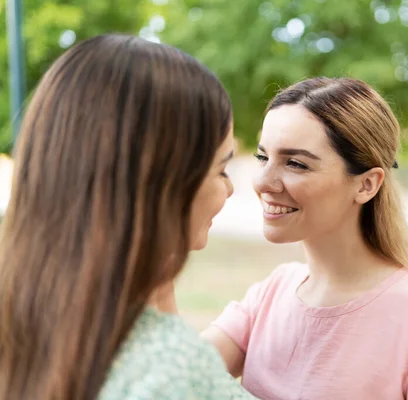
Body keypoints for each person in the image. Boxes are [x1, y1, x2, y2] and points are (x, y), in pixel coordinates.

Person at [203, 77, 408, 399]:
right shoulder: (271, 293)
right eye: (263, 158)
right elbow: (171, 377)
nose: (264, 182)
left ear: (366, 184)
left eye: (296, 164)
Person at [0, 34, 255, 400]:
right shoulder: (171, 367)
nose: (230, 189)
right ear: (161, 186)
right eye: (221, 169)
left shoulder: (31, 324)